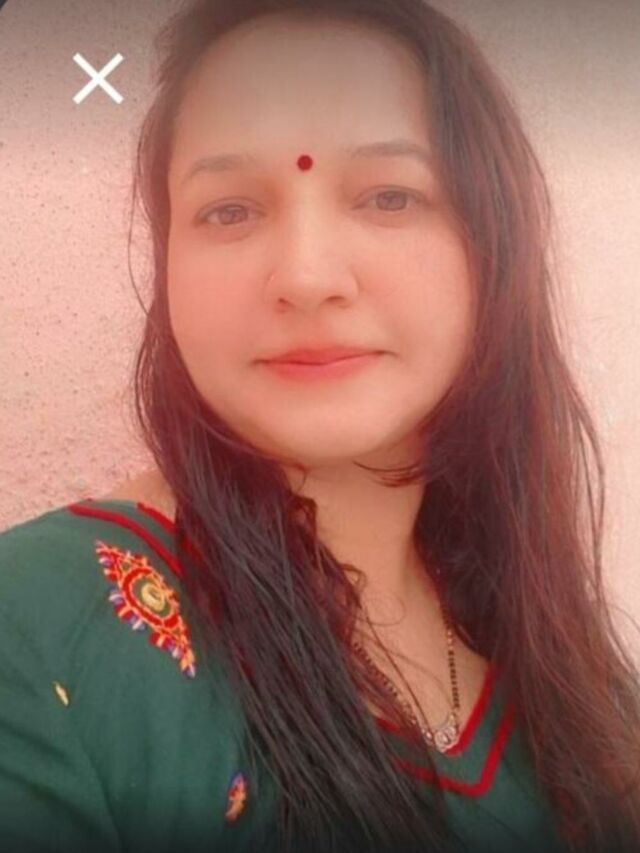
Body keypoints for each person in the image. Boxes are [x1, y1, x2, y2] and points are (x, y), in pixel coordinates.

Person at [1, 0, 639, 851]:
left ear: (494, 246)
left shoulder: (565, 655)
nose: (305, 276)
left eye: (388, 195)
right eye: (230, 209)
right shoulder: (34, 633)